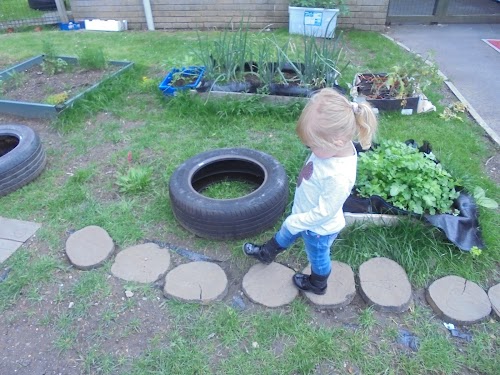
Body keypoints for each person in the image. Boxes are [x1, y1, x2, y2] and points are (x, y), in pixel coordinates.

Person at [243, 88, 378, 295]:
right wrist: (297, 219)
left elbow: (325, 212)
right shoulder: (332, 149)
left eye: (313, 146)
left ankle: (318, 283)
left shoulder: (339, 176)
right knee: (287, 232)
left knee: (318, 256)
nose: (310, 150)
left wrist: (297, 221)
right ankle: (266, 253)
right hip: (303, 213)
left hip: (318, 229)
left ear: (337, 142)